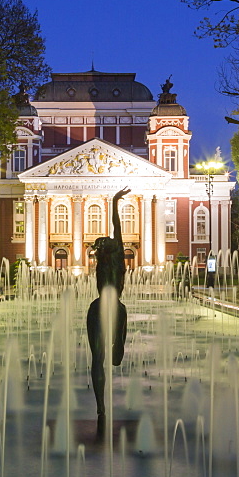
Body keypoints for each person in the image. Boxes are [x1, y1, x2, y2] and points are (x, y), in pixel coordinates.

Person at [86, 187, 130, 437]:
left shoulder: (103, 261)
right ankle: (119, 347)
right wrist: (114, 203)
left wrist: (114, 201)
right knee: (122, 314)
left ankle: (101, 407)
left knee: (96, 359)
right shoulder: (118, 261)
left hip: (97, 308)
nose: (111, 239)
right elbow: (118, 228)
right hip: (115, 308)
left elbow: (115, 229)